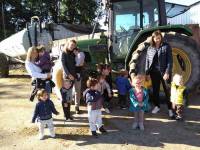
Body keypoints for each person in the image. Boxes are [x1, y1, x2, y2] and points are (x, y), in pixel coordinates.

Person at [145, 30, 173, 117]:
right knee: (155, 91)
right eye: (156, 38)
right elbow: (147, 61)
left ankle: (170, 109)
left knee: (167, 91)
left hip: (164, 73)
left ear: (161, 38)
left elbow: (170, 61)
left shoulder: (166, 46)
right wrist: (147, 73)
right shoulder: (150, 48)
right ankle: (157, 106)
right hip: (154, 73)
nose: (157, 40)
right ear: (153, 39)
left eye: (159, 38)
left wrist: (167, 72)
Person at [61, 40, 77, 113]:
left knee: (69, 96)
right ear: (68, 44)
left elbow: (75, 64)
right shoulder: (64, 53)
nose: (72, 46)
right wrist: (69, 75)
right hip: (67, 77)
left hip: (73, 76)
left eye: (74, 45)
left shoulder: (73, 53)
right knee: (65, 97)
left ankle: (68, 113)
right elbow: (64, 65)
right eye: (71, 45)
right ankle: (66, 113)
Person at [73, 47, 85, 114]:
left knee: (77, 91)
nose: (73, 52)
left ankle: (77, 107)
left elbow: (79, 64)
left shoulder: (80, 54)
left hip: (77, 75)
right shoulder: (71, 55)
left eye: (74, 51)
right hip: (71, 75)